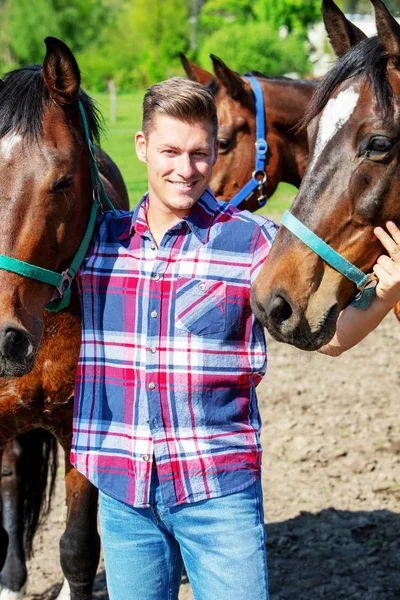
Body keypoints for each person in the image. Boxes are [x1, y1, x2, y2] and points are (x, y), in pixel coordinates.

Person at [70, 77, 400, 600]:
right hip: (122, 493)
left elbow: (331, 338)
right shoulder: (98, 245)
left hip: (217, 494)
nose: (186, 169)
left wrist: (383, 296)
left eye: (201, 153)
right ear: (141, 148)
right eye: (170, 152)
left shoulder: (253, 243)